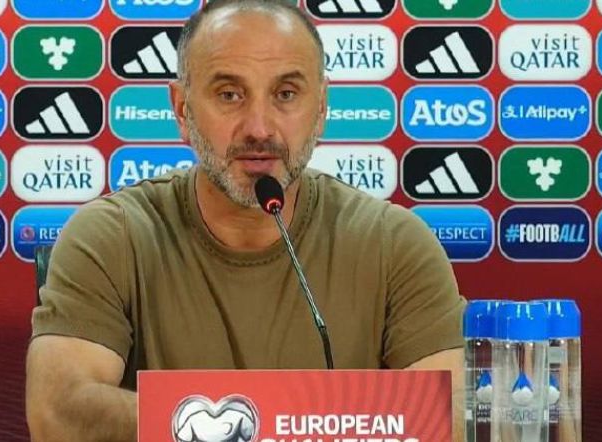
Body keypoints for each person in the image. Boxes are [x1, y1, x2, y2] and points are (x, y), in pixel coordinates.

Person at [25, 0, 466, 440]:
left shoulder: (394, 244)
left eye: (285, 94)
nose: (259, 128)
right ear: (182, 109)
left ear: (321, 109)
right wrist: (249, 425)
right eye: (229, 95)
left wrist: (239, 423)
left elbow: (450, 418)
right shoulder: (113, 236)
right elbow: (58, 411)